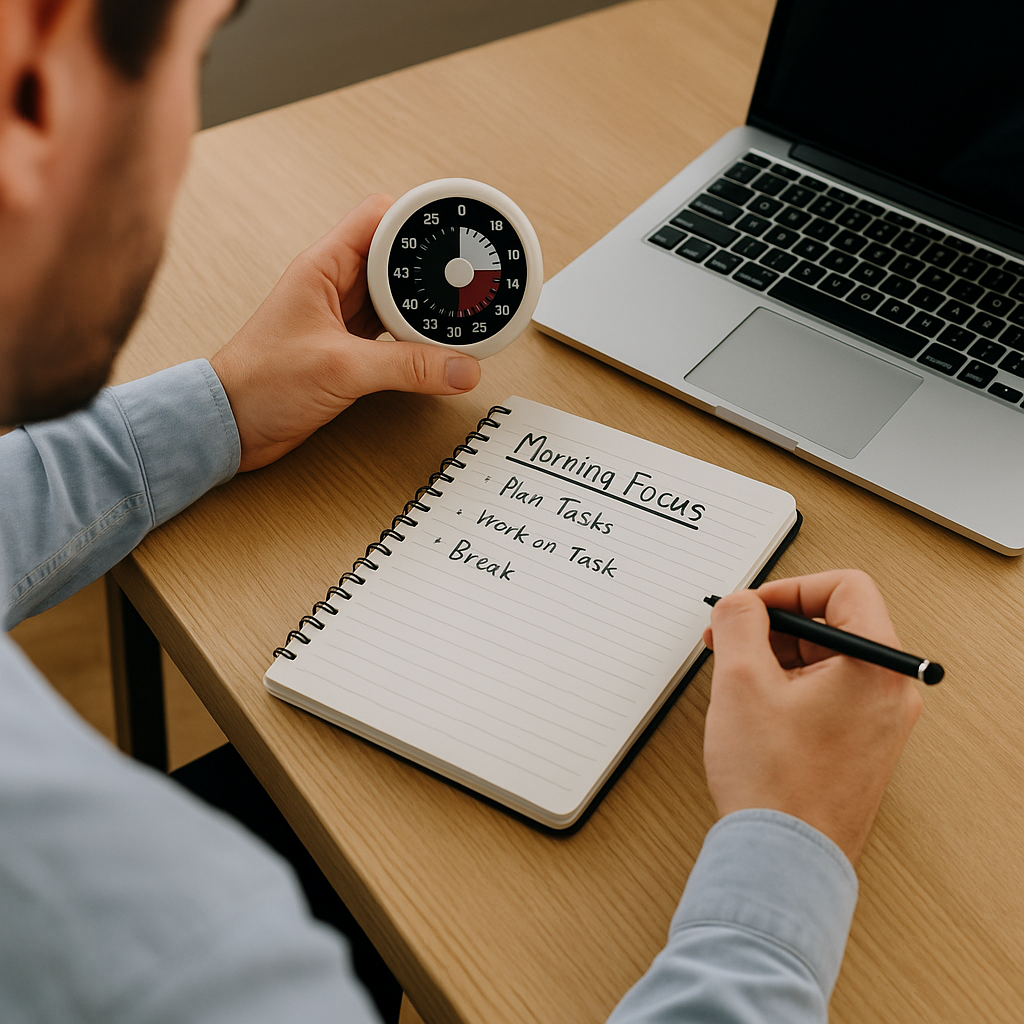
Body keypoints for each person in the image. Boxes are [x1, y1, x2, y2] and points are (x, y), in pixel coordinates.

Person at [0, 1, 923, 1021]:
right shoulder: (182, 962)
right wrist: (792, 847)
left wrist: (224, 405)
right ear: (37, 86)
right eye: (194, 62)